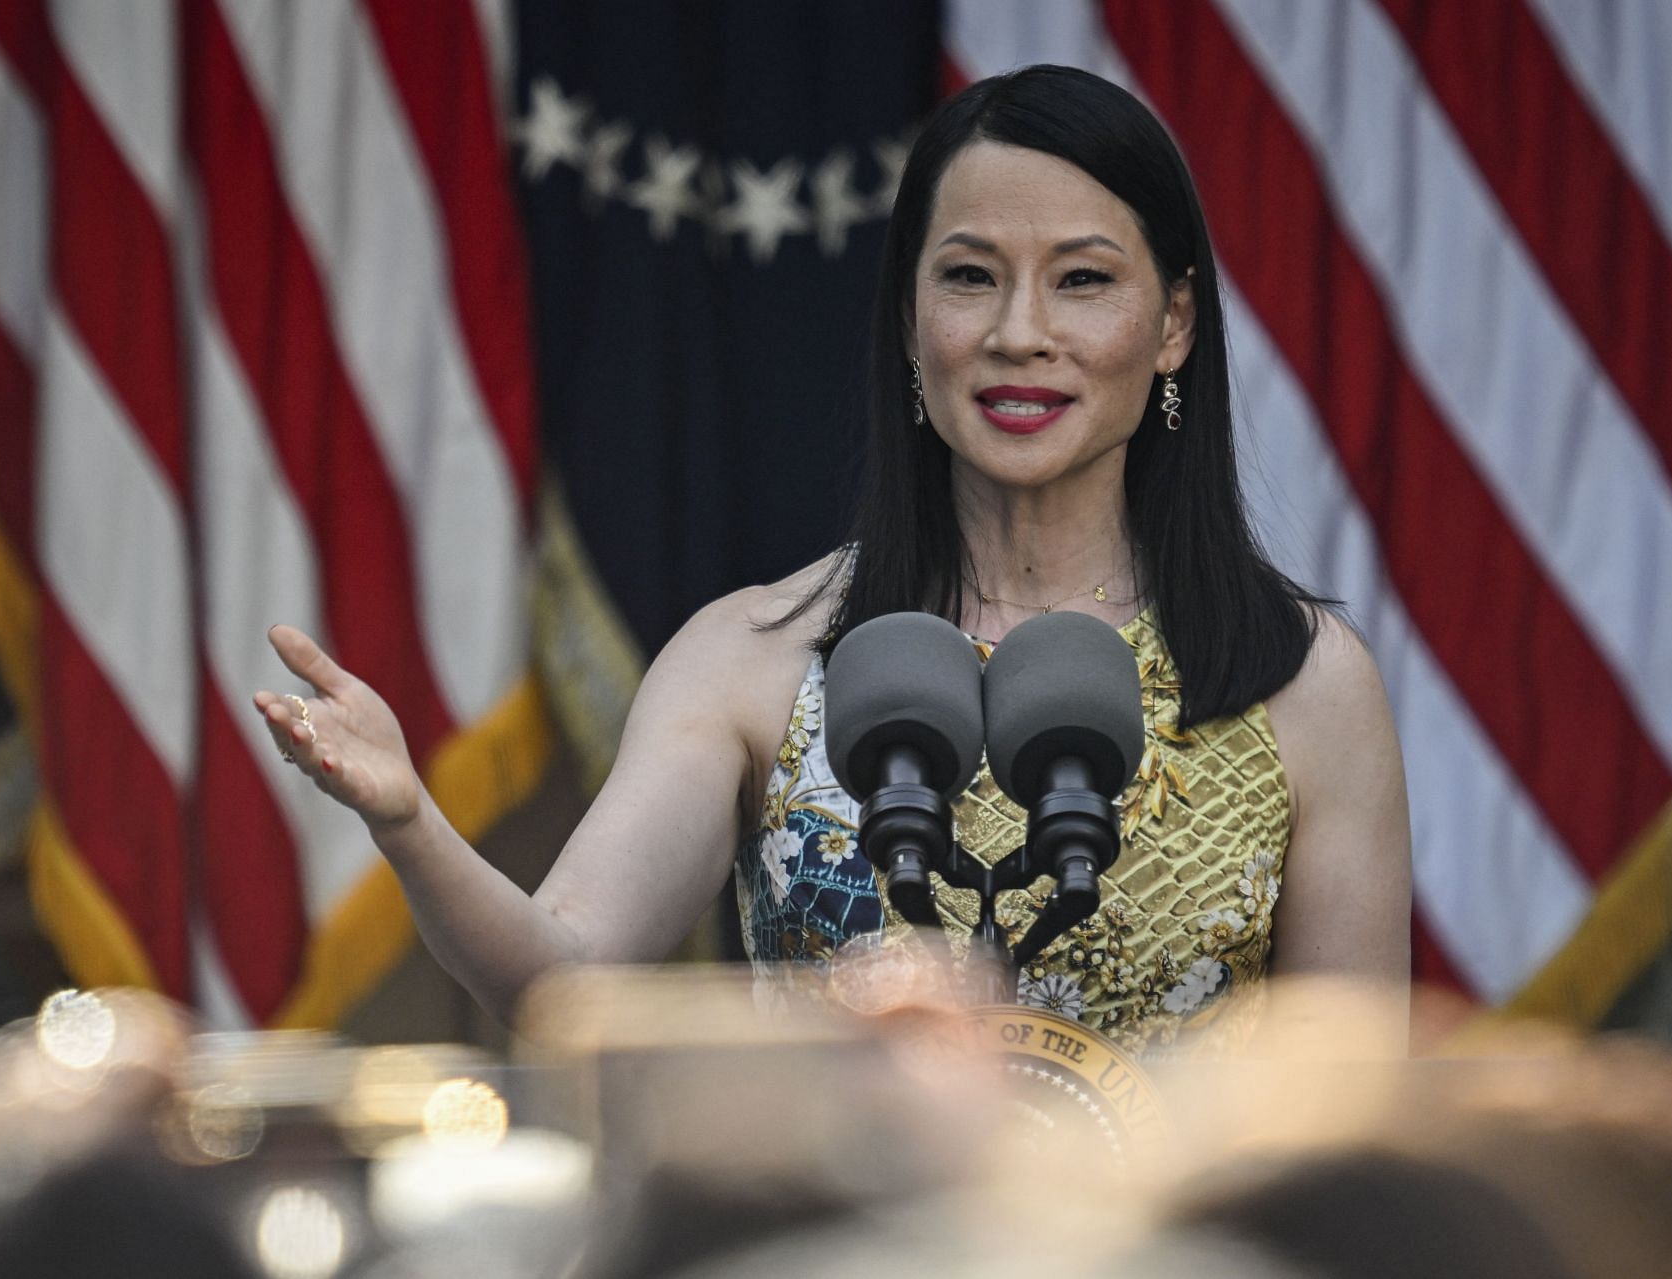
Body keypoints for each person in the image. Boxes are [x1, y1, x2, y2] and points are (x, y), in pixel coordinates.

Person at [256, 65, 1411, 1051]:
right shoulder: (754, 655)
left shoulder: (1301, 683)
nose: (1020, 332)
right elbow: (564, 984)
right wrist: (410, 820)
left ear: (1173, 325)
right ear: (910, 320)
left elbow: (1358, 1127)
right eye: (969, 276)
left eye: (1083, 279)